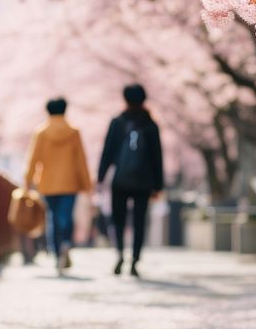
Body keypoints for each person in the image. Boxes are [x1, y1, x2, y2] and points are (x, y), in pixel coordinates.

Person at [98, 83, 164, 277]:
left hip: (120, 180)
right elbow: (157, 157)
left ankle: (119, 253)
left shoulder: (118, 122)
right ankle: (135, 260)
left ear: (125, 99)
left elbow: (107, 151)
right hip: (144, 181)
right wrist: (158, 185)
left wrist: (101, 176)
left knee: (118, 220)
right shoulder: (151, 125)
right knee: (139, 221)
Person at [25, 97, 92, 274]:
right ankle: (66, 243)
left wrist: (27, 181)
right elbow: (81, 160)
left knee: (52, 218)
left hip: (47, 183)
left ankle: (56, 254)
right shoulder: (73, 132)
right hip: (70, 182)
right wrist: (86, 184)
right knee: (66, 216)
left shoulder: (41, 132)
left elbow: (33, 159)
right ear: (65, 110)